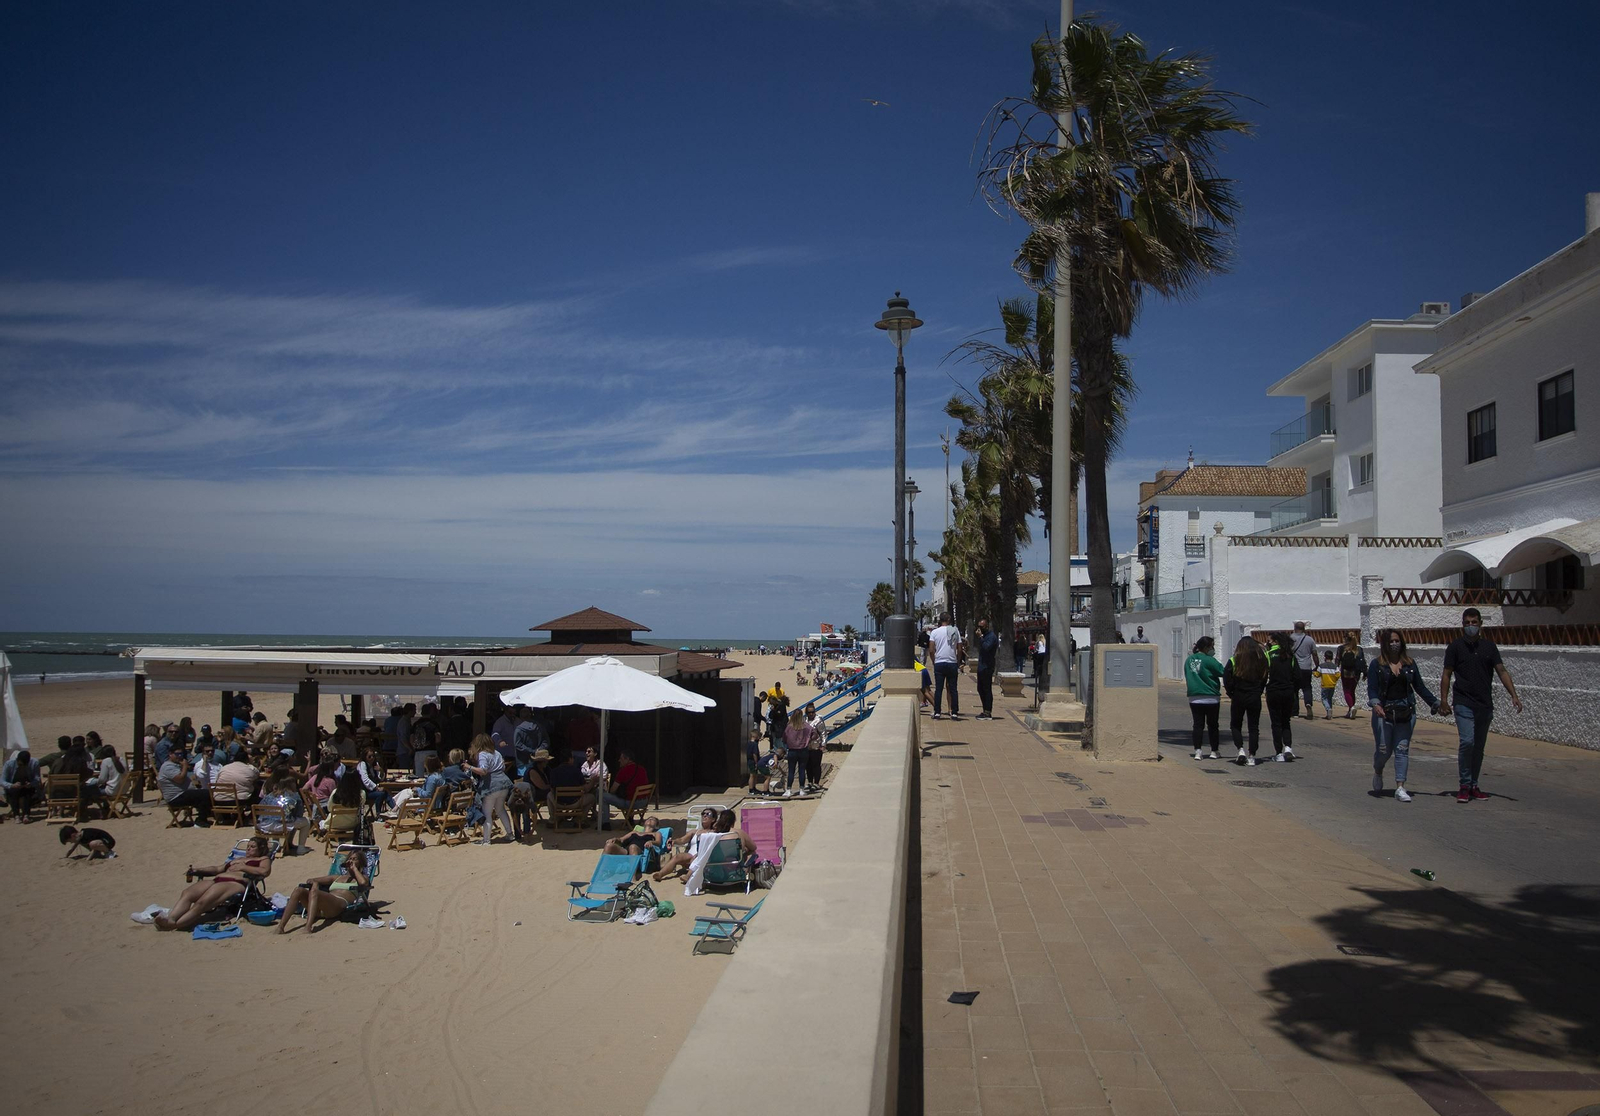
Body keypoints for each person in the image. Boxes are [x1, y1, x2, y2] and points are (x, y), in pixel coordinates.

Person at [1438, 607, 1523, 804]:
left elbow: (1501, 671)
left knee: (1478, 747)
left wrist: (1514, 695)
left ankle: (1474, 785)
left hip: (1484, 704)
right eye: (1467, 623)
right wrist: (1443, 700)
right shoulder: (1455, 647)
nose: (1470, 626)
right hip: (1463, 702)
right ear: (1462, 625)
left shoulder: (1489, 648)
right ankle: (1464, 785)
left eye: (1474, 622)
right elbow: (1446, 674)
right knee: (1467, 742)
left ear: (1480, 624)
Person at [1367, 629, 1439, 803]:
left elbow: (1419, 687)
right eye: (1391, 641)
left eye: (1397, 641)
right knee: (1384, 750)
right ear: (1385, 644)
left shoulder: (1409, 664)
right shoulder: (1377, 665)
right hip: (1384, 713)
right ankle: (1378, 771)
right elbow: (1372, 688)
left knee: (1402, 749)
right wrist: (1376, 704)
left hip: (1405, 712)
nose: (1394, 644)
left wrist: (1435, 703)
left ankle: (1400, 787)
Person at [154, 835, 272, 931]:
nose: (248, 849)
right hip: (217, 880)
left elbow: (264, 871)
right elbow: (217, 869)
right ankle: (171, 919)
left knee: (202, 902)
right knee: (187, 894)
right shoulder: (237, 859)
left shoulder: (262, 860)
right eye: (248, 846)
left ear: (260, 849)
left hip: (234, 883)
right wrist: (198, 870)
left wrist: (244, 868)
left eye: (252, 847)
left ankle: (176, 925)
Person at [276, 847, 370, 934]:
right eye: (350, 859)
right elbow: (311, 880)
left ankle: (308, 927)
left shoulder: (363, 877)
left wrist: (354, 869)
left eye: (355, 859)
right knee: (298, 890)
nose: (351, 861)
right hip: (320, 907)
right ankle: (280, 927)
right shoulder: (336, 877)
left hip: (337, 906)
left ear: (360, 862)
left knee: (315, 892)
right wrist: (315, 883)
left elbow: (363, 883)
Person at [1222, 637, 1267, 766]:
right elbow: (1264, 677)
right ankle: (1252, 755)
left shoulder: (1234, 660)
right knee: (1253, 727)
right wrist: (1259, 691)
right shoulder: (1261, 660)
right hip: (1254, 696)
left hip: (1238, 695)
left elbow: (1227, 678)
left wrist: (1231, 692)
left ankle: (1240, 750)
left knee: (1236, 724)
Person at [465, 733, 513, 845]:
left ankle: (486, 840)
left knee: (487, 813)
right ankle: (510, 834)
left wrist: (469, 767)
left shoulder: (483, 754)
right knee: (500, 809)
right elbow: (503, 767)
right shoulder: (497, 753)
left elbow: (483, 771)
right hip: (503, 782)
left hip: (491, 785)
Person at [1185, 636, 1226, 760]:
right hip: (1211, 697)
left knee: (1198, 725)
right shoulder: (1210, 660)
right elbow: (1223, 671)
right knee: (1213, 725)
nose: (1213, 649)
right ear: (1207, 647)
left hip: (1194, 697)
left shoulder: (1189, 660)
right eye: (1212, 646)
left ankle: (1198, 751)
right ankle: (1214, 750)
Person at [653, 807, 720, 881]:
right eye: (703, 814)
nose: (704, 816)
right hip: (690, 856)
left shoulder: (715, 832)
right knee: (677, 857)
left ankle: (688, 877)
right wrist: (674, 841)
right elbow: (682, 840)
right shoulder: (694, 832)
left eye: (708, 814)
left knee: (697, 858)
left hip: (704, 857)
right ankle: (660, 874)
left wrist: (715, 825)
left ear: (713, 819)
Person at [1263, 631, 1300, 762]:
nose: (1268, 642)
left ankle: (1278, 753)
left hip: (1274, 691)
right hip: (1288, 692)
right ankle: (1288, 748)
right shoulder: (1290, 655)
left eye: (1270, 641)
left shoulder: (1268, 655)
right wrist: (1292, 688)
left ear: (1275, 642)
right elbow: (1297, 676)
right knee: (1286, 721)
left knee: (1276, 723)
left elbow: (1264, 673)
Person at [256, 774, 313, 854]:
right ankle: (301, 848)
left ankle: (276, 846)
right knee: (306, 822)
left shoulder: (271, 795)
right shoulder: (294, 796)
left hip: (265, 825)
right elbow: (299, 814)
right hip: (282, 825)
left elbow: (260, 806)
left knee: (277, 819)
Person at [158, 749, 214, 824]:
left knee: (204, 793)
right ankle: (201, 820)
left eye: (181, 754)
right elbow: (180, 779)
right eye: (177, 754)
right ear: (170, 754)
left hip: (182, 793)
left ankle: (206, 816)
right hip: (175, 797)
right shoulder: (168, 767)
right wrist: (185, 766)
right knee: (205, 794)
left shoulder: (176, 764)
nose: (180, 756)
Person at [601, 748, 649, 828]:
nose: (619, 760)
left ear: (627, 759)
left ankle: (605, 823)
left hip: (631, 803)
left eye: (621, 758)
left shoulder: (623, 771)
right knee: (631, 794)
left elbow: (613, 790)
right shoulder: (642, 769)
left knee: (603, 796)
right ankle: (630, 818)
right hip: (644, 801)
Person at [928, 612, 963, 721]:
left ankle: (937, 712)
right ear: (948, 619)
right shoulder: (955, 630)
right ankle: (954, 712)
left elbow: (931, 650)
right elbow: (960, 648)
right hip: (952, 662)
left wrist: (934, 661)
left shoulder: (934, 632)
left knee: (939, 689)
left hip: (939, 663)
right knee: (953, 689)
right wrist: (957, 661)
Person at [781, 710, 813, 798]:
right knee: (802, 770)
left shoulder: (789, 726)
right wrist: (808, 740)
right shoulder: (806, 726)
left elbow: (784, 738)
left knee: (791, 770)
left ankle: (788, 789)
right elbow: (814, 733)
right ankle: (801, 789)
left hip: (792, 750)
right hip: (803, 750)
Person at [356, 746, 396, 816]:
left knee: (385, 792)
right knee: (381, 794)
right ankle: (378, 813)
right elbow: (365, 780)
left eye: (373, 756)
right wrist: (376, 787)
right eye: (369, 756)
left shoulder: (375, 764)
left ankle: (396, 810)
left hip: (373, 790)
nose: (372, 758)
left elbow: (380, 779)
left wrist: (381, 770)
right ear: (365, 757)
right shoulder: (362, 764)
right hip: (364, 792)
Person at [1290, 621, 1319, 719]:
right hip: (1307, 668)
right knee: (1307, 688)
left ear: (1294, 627)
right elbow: (1314, 654)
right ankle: (1308, 703)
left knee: (1294, 690)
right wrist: (1317, 665)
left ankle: (1294, 712)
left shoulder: (1291, 638)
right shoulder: (1310, 640)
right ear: (1304, 628)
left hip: (1295, 668)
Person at [2, 749, 41, 820]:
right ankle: (16, 815)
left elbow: (37, 778)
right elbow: (2, 781)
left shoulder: (34, 763)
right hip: (13, 786)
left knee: (27, 793)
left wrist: (31, 784)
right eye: (20, 765)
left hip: (27, 786)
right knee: (14, 792)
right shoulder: (9, 764)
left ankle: (26, 815)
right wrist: (12, 785)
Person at [85, 743, 126, 810]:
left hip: (112, 791)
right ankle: (105, 808)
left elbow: (102, 779)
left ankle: (85, 810)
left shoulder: (106, 761)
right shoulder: (121, 759)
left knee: (88, 789)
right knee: (100, 787)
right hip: (123, 790)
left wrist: (95, 782)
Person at [974, 618, 998, 720]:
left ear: (986, 626)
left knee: (986, 689)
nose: (980, 628)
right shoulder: (985, 636)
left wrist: (980, 638)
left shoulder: (991, 637)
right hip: (982, 666)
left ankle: (988, 712)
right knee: (980, 689)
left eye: (982, 626)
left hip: (987, 666)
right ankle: (985, 710)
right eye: (978, 626)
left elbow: (987, 647)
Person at [1338, 632, 1364, 719]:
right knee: (1352, 691)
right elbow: (1362, 661)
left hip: (1345, 673)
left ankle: (1351, 707)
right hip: (1356, 674)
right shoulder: (1359, 649)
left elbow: (1338, 660)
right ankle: (1350, 710)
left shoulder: (1341, 648)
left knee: (1347, 691)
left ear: (1346, 638)